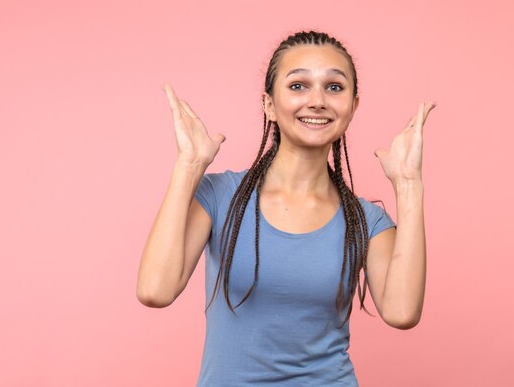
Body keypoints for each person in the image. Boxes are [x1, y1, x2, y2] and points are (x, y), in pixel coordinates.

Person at [137, 30, 435, 386]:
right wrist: (188, 166)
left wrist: (408, 186)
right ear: (268, 104)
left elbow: (402, 313)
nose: (318, 100)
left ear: (353, 107)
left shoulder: (366, 221)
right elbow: (155, 290)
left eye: (335, 87)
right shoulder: (219, 195)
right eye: (298, 86)